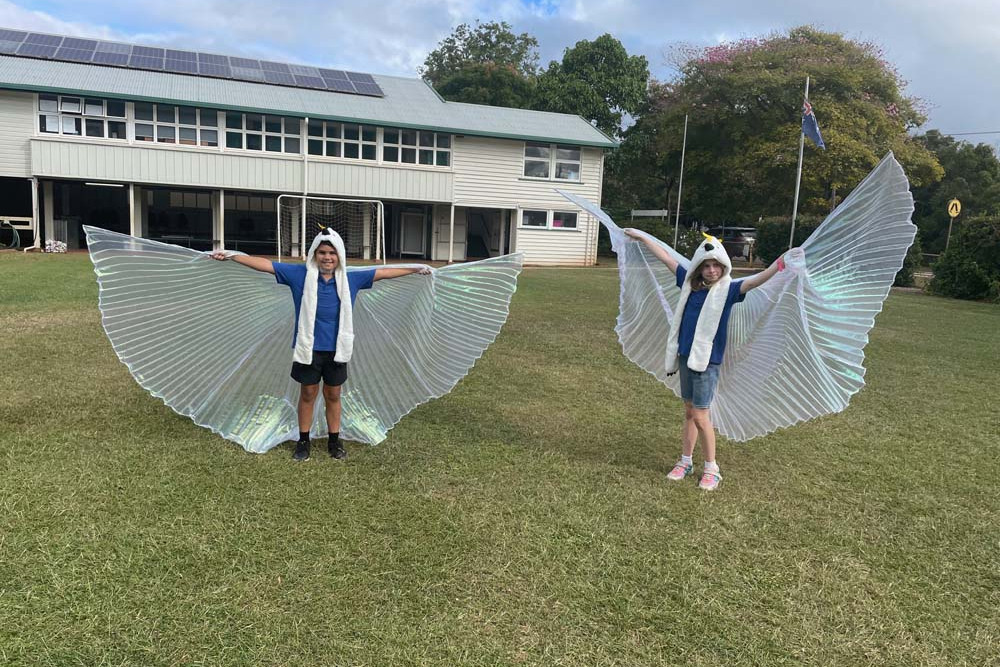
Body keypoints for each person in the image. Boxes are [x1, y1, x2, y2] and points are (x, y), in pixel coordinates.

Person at [211, 229, 429, 461]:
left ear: (340, 256)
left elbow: (383, 273)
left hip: (337, 349)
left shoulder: (350, 279)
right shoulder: (299, 275)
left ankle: (334, 441)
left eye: (332, 253)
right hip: (308, 348)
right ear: (314, 254)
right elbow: (265, 265)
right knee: (308, 393)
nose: (327, 257)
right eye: (322, 252)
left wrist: (416, 269)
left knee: (333, 394)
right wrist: (232, 255)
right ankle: (303, 441)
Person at [623, 229, 790, 490]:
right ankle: (685, 461)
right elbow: (667, 259)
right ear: (699, 268)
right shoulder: (690, 286)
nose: (711, 270)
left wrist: (779, 264)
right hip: (685, 357)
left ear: (723, 267)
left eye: (716, 266)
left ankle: (712, 468)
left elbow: (756, 281)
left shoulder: (729, 291)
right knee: (689, 412)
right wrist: (643, 238)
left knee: (701, 415)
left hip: (707, 361)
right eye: (706, 266)